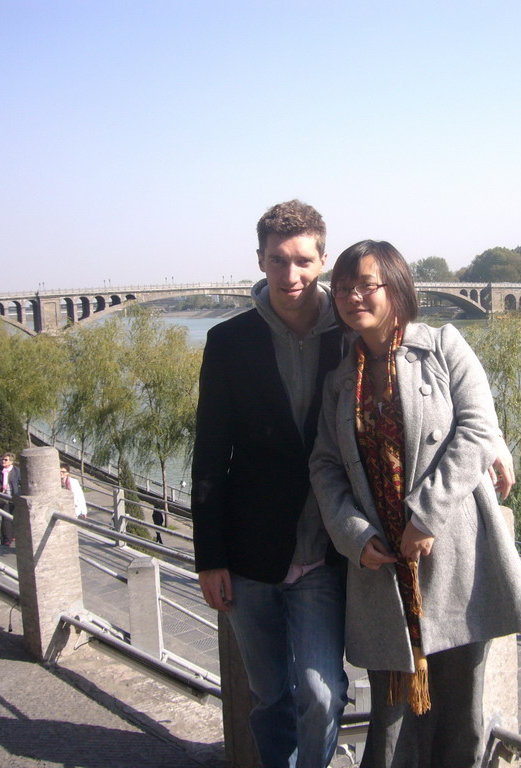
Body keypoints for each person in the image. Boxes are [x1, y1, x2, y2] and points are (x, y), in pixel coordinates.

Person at [309, 241, 521, 768]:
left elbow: (478, 428)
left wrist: (424, 517)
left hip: (453, 558)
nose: (352, 296)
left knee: (462, 712)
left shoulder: (443, 345)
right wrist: (353, 534)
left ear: (397, 286)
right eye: (343, 287)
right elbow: (324, 465)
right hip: (382, 569)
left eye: (366, 284)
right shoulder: (340, 381)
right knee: (390, 724)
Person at [191, 200, 350, 768]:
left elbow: (421, 380)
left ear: (323, 259)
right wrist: (209, 557)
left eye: (303, 260)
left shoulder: (352, 335)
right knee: (270, 696)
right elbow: (209, 457)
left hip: (324, 551)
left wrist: (490, 440)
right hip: (249, 553)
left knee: (321, 693)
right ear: (259, 259)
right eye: (278, 261)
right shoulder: (229, 342)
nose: (291, 276)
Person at [0, 452, 20, 546]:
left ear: (11, 462)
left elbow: (21, 482)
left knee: (15, 517)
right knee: (6, 518)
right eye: (2, 459)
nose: (3, 461)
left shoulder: (16, 471)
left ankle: (14, 534)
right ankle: (6, 539)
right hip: (4, 498)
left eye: (5, 460)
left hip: (14, 497)